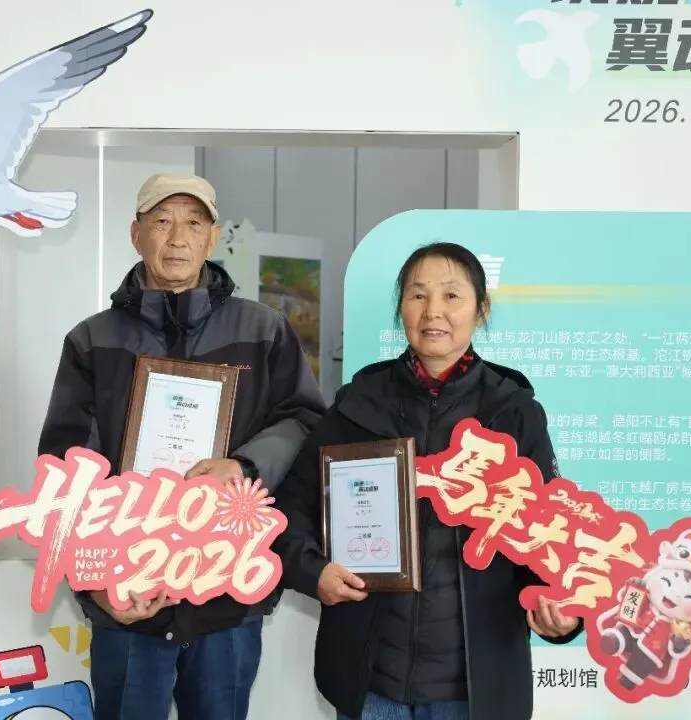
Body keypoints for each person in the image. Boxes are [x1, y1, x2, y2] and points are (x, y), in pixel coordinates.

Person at [36, 172, 326, 720]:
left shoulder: (264, 330)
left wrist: (243, 466)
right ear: (136, 234)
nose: (177, 238)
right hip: (128, 596)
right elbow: (65, 467)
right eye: (162, 220)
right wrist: (97, 584)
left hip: (226, 595)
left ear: (212, 238)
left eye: (193, 223)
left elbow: (305, 418)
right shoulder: (92, 340)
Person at [271, 242, 583, 720]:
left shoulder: (514, 413)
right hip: (372, 678)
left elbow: (548, 531)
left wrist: (559, 606)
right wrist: (314, 572)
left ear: (481, 310)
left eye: (451, 295)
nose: (433, 310)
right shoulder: (359, 404)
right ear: (401, 308)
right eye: (418, 295)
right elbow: (293, 505)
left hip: (474, 686)